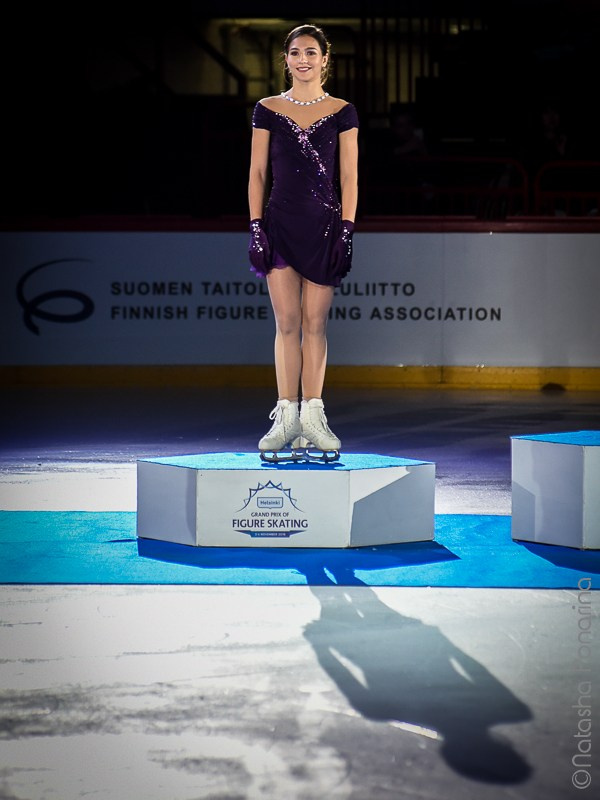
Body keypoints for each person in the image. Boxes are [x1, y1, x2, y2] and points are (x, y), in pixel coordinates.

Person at [247, 23, 359, 462]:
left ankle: (313, 416)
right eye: (296, 52)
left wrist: (347, 228)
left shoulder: (343, 111)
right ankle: (285, 416)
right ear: (286, 59)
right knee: (287, 323)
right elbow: (258, 172)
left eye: (312, 52)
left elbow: (349, 175)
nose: (304, 60)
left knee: (315, 324)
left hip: (324, 227)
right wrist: (256, 225)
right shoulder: (267, 109)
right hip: (280, 224)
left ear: (325, 59)